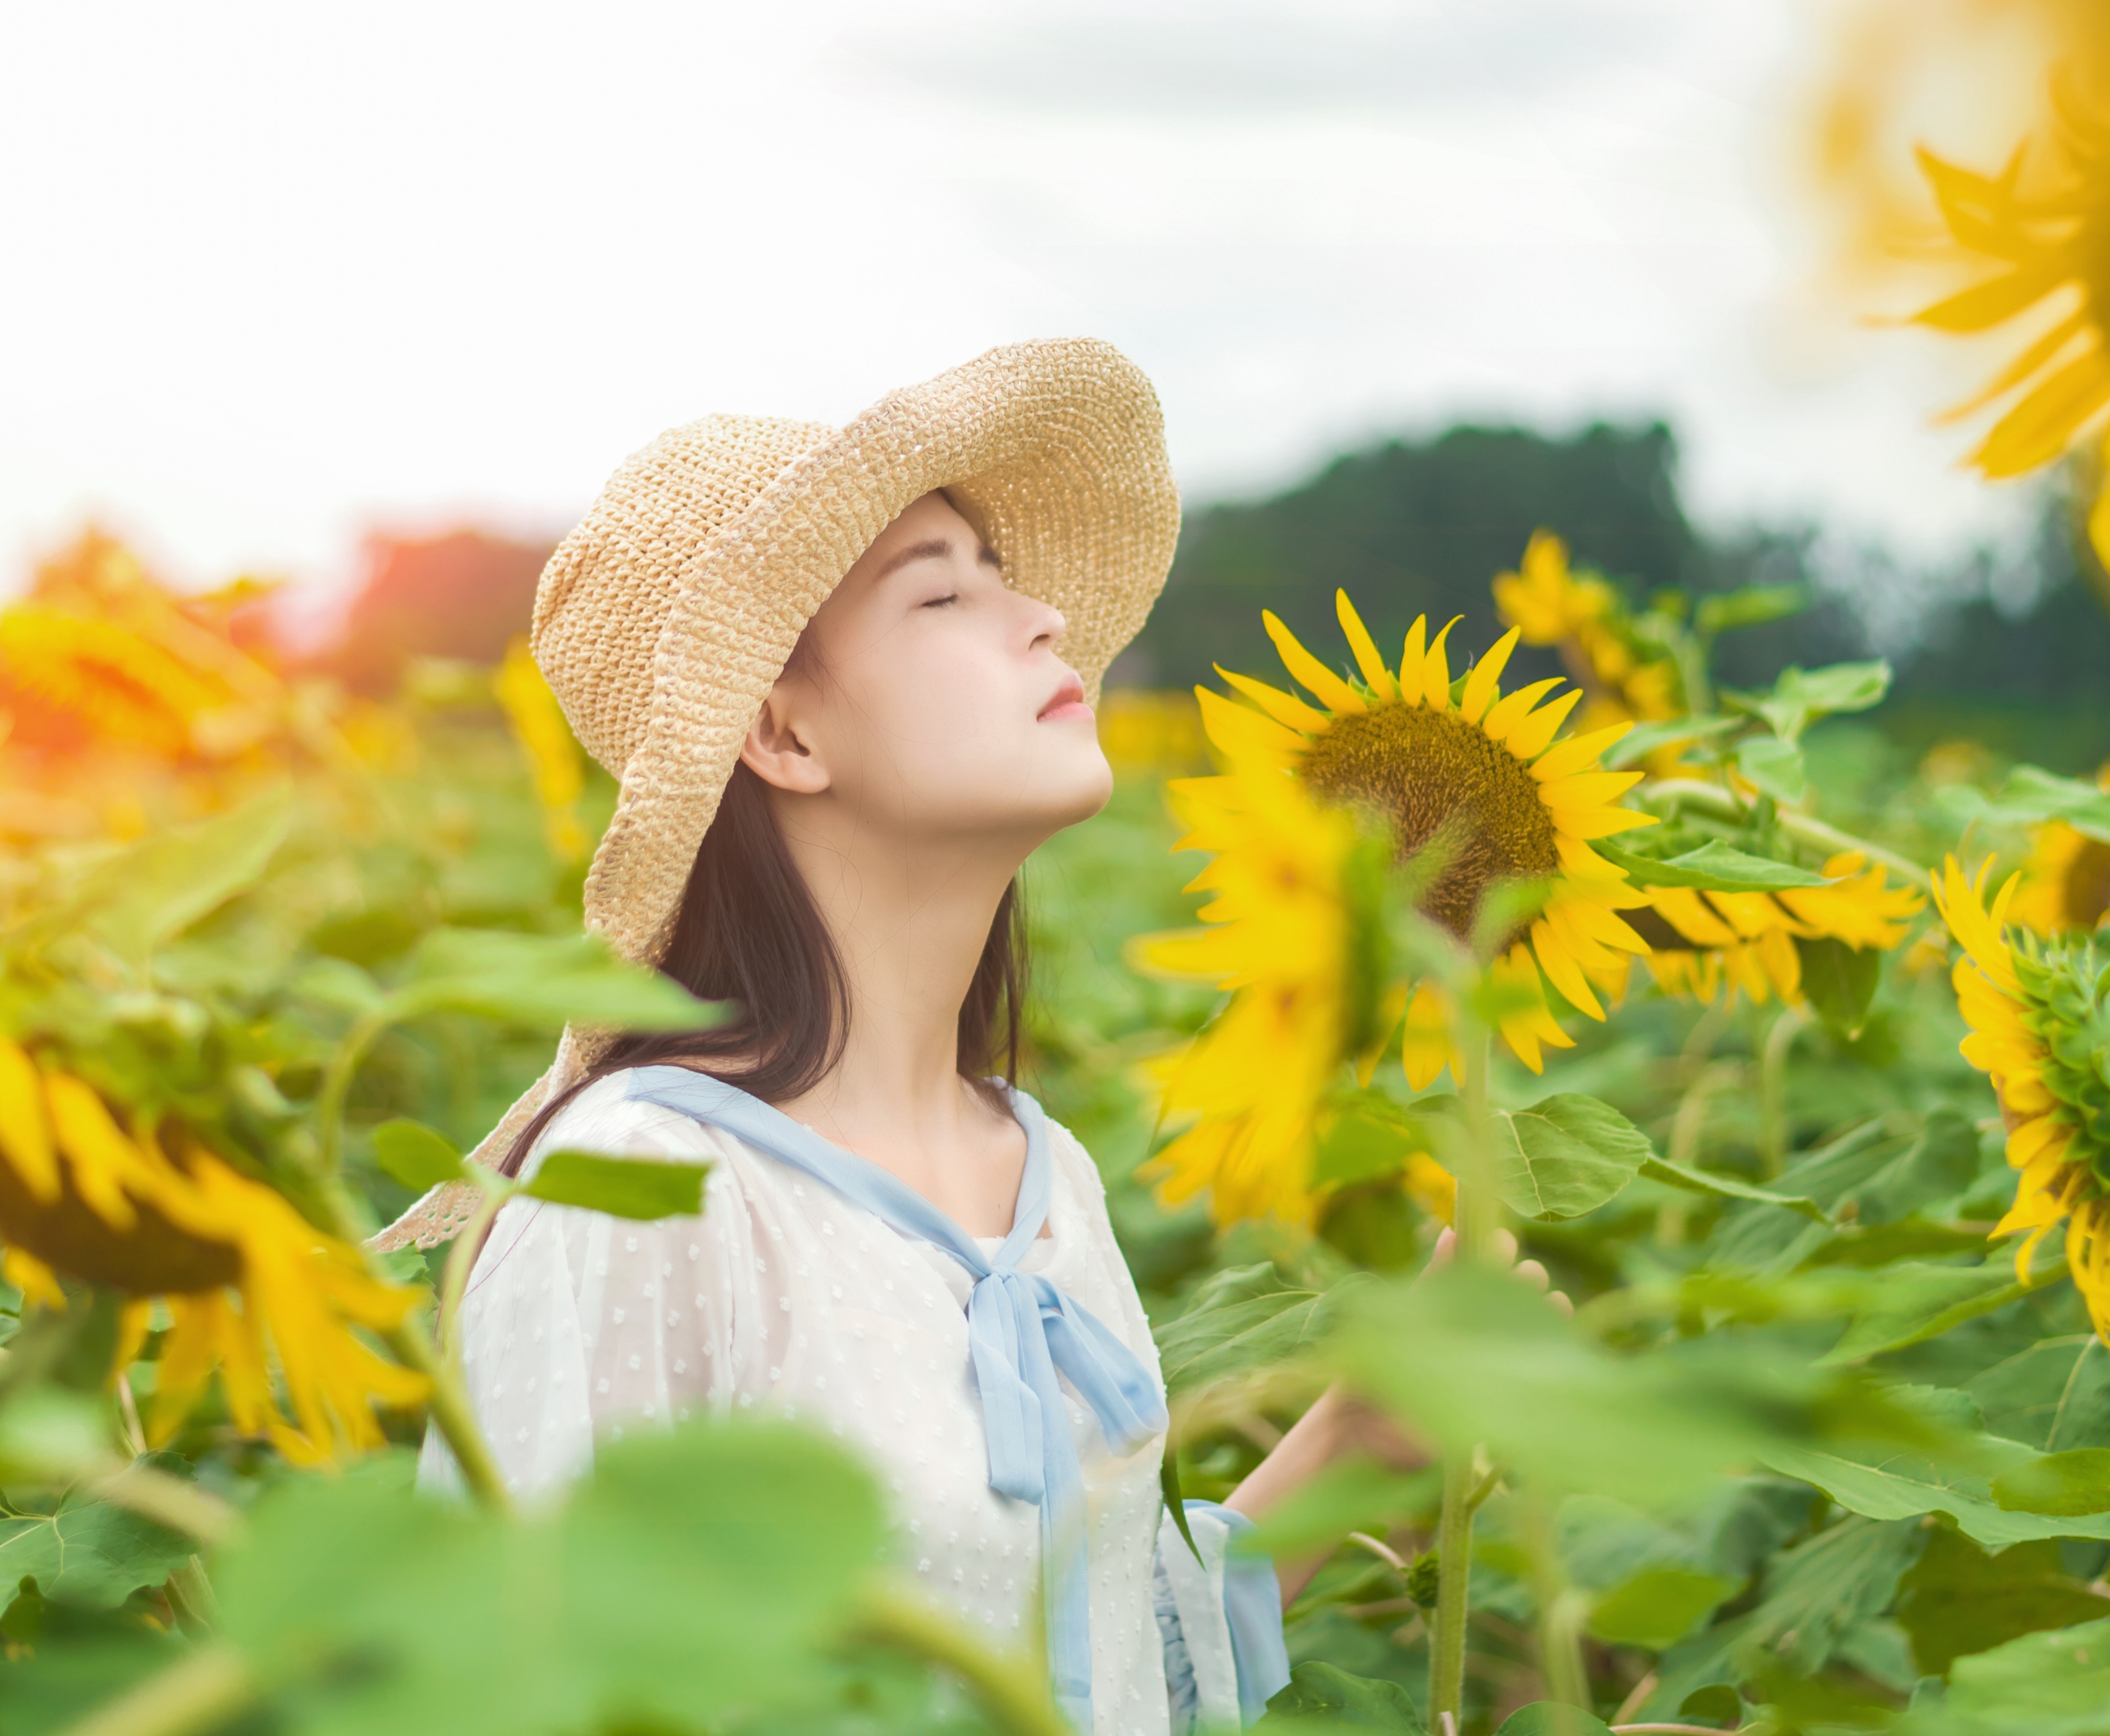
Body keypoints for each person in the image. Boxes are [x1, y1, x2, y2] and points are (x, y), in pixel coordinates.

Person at [369, 339, 1439, 1735]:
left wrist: (1367, 1441)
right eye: (942, 590)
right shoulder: (640, 1193)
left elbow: (1104, 1672)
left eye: (1006, 572)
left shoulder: (1041, 1175)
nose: (1046, 618)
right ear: (782, 733)